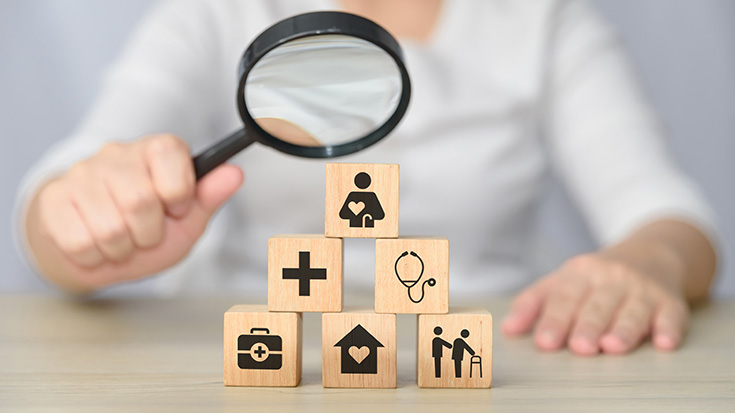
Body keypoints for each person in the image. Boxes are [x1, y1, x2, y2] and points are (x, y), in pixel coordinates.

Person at [15, 0, 718, 356]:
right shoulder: (219, 11)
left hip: (487, 348)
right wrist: (78, 219)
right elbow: (60, 185)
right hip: (232, 351)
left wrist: (643, 262)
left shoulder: (544, 20)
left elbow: (665, 213)